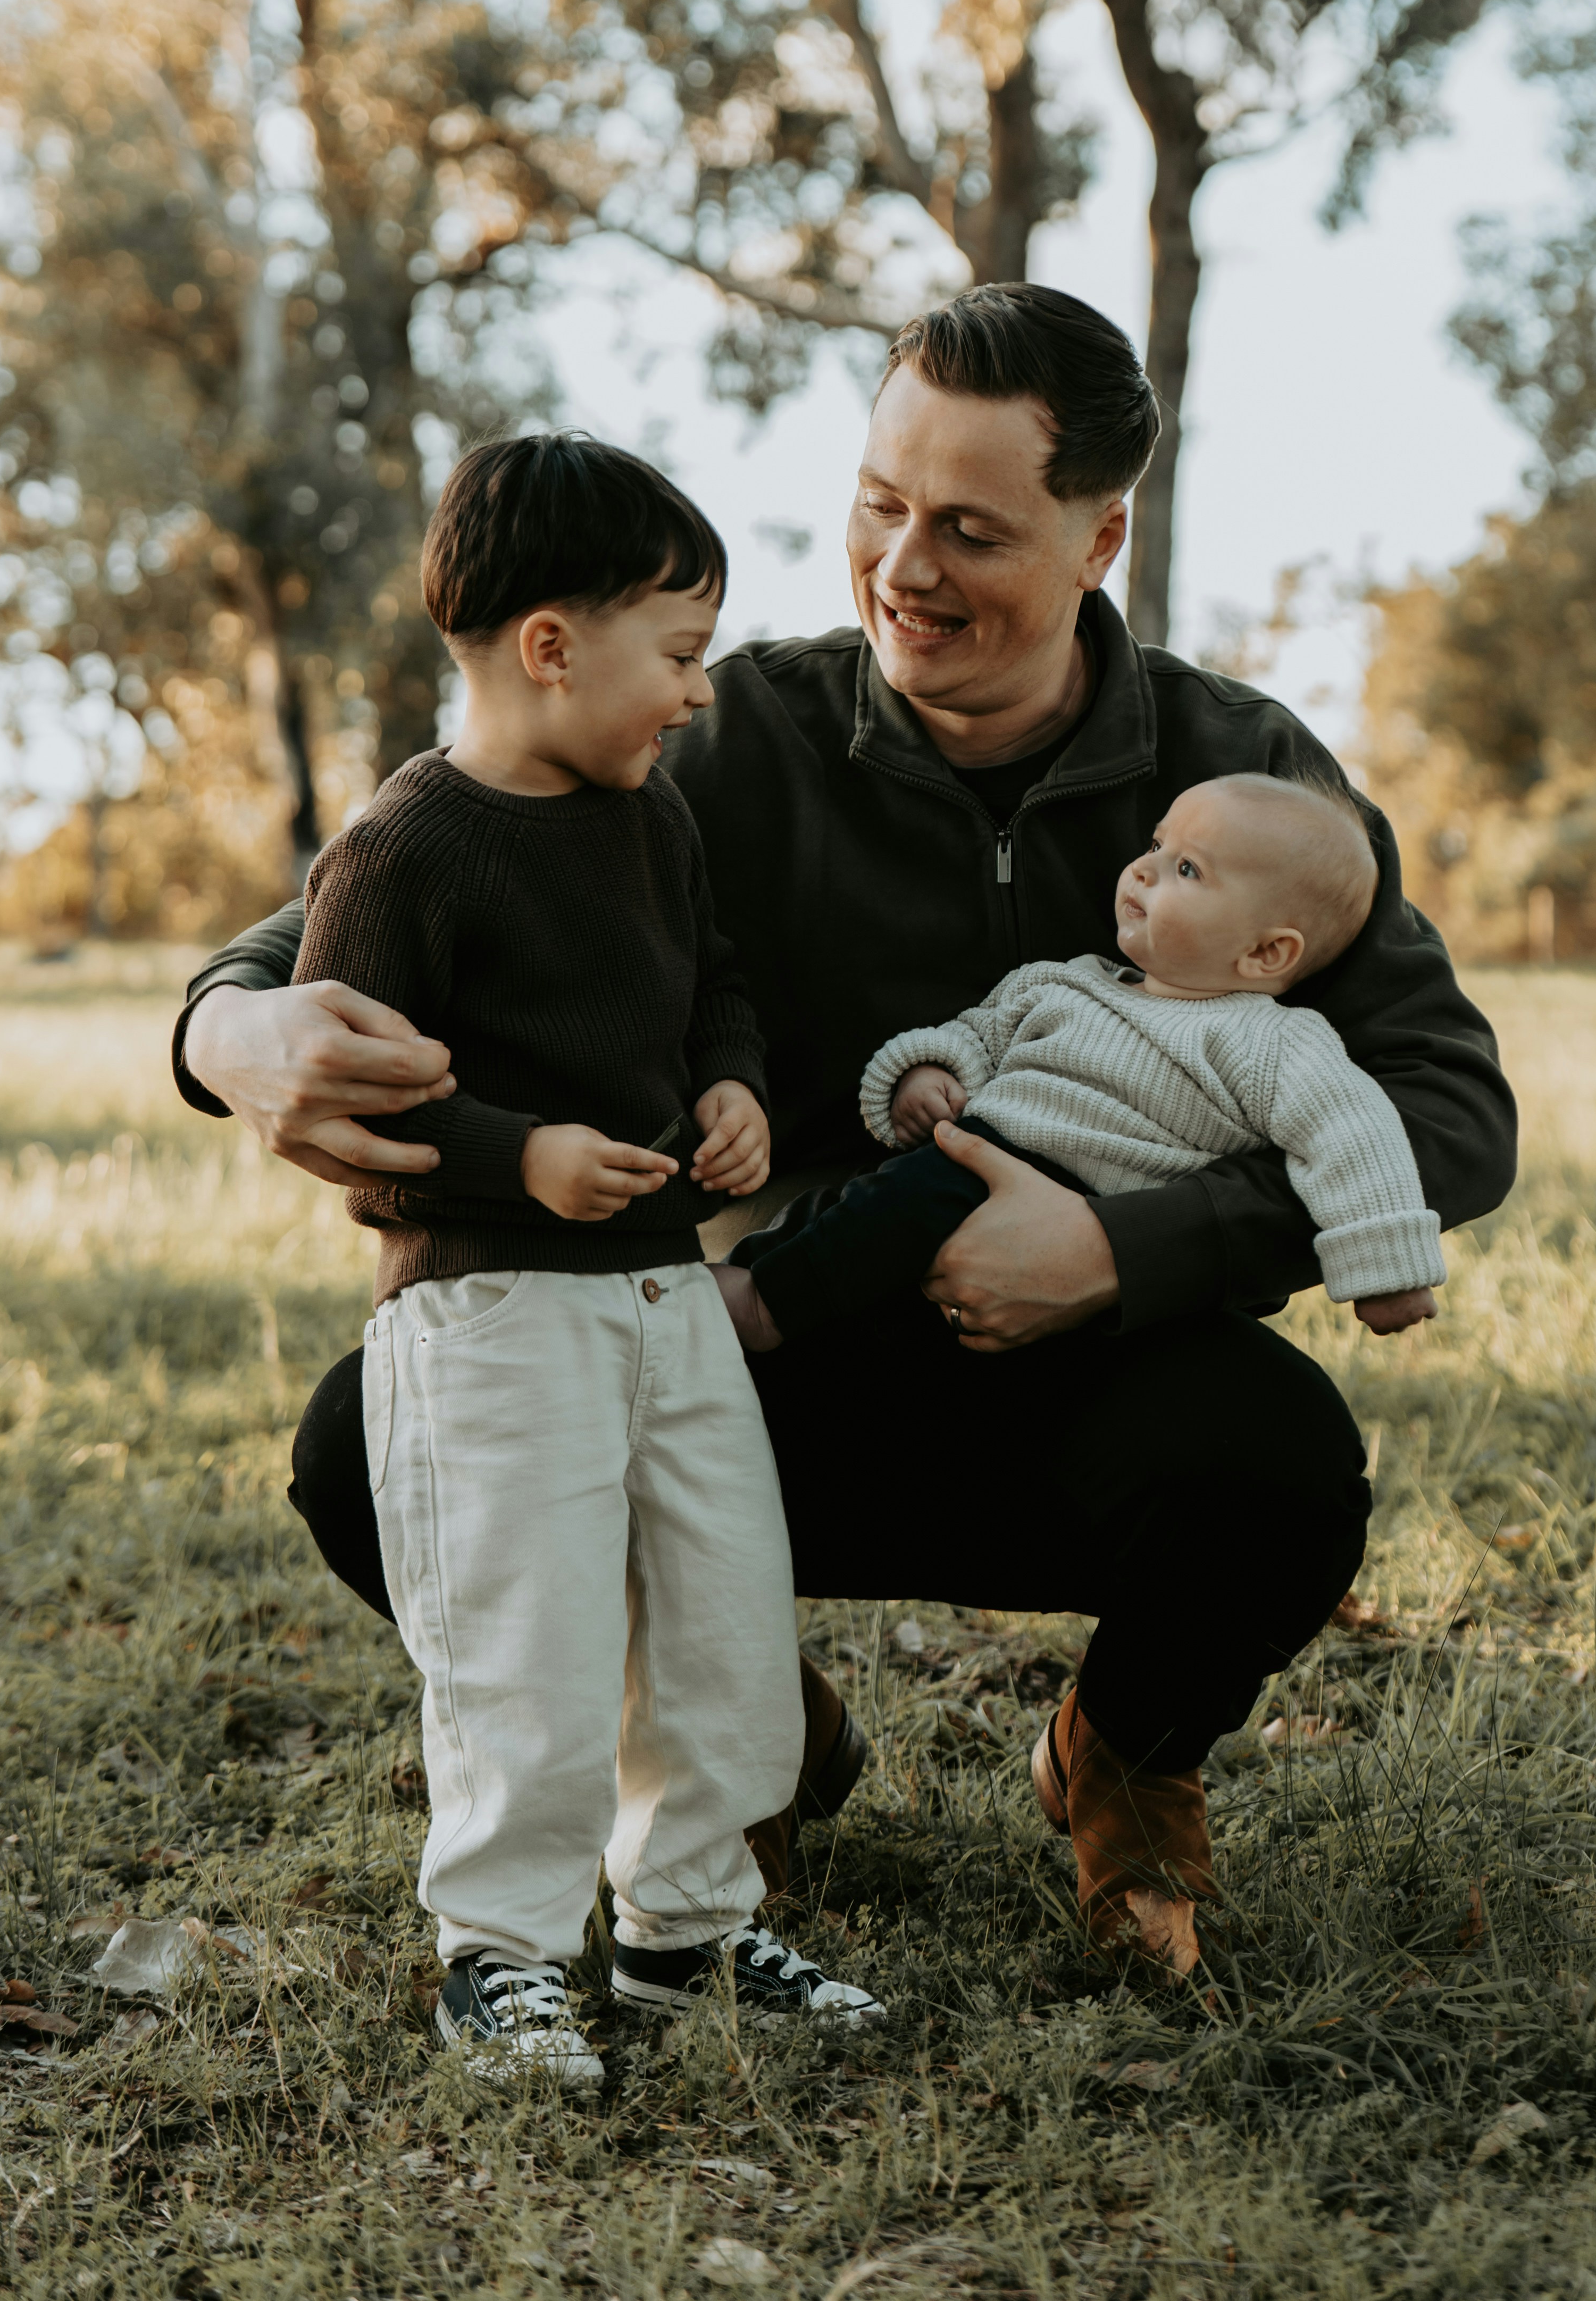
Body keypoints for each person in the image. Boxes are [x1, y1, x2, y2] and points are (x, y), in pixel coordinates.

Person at [175, 284, 1516, 1974]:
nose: (903, 566)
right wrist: (230, 1028)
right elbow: (364, 889)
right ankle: (750, 1742)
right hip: (748, 1353)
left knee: (1283, 1469)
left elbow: (1447, 1104)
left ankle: (1124, 1751)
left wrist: (1125, 1248)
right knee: (373, 1447)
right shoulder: (710, 734)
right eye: (881, 504)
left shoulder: (1239, 776)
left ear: (1102, 535)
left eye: (970, 527)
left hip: (1099, 1376)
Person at [293, 431, 881, 2083]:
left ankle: (688, 1927)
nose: (698, 695)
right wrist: (521, 1154)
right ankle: (501, 1956)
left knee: (720, 1623)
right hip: (485, 1316)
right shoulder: (402, 855)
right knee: (524, 1648)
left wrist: (733, 1084)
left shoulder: (654, 826)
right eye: (678, 657)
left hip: (665, 1296)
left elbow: (717, 987)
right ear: (551, 646)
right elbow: (365, 1128)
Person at [716, 770, 1447, 1356]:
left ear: (1265, 952)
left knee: (902, 1205)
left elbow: (1354, 1137)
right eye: (1156, 846)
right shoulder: (1066, 982)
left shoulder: (1271, 1042)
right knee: (853, 1208)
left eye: (1186, 869)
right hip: (967, 1161)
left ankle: (763, 1310)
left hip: (1088, 1204)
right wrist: (929, 1074)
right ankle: (744, 1278)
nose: (1143, 871)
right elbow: (981, 1036)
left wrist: (1388, 1271)